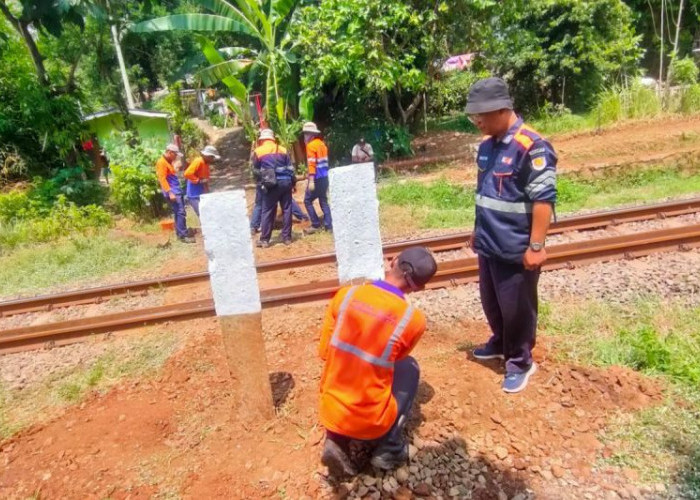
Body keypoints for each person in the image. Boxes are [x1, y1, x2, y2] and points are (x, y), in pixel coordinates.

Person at [465, 77, 557, 393]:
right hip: (489, 243)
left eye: (483, 114)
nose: (477, 120)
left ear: (503, 109)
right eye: (473, 115)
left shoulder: (532, 147)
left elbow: (544, 200)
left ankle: (520, 361)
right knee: (492, 303)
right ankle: (500, 341)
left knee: (517, 307)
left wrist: (536, 246)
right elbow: (486, 195)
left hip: (516, 247)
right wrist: (478, 232)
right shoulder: (487, 146)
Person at [318, 247, 438, 477]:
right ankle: (389, 448)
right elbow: (398, 360)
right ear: (419, 287)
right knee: (409, 368)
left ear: (392, 261)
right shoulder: (413, 320)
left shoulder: (346, 295)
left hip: (331, 411)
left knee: (344, 362)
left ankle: (336, 439)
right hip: (372, 423)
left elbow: (324, 352)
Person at [252, 128, 296, 247]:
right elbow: (291, 169)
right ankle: (287, 238)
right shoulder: (283, 149)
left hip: (271, 185)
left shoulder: (258, 151)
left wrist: (261, 179)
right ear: (272, 139)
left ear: (262, 140)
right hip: (286, 183)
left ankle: (265, 240)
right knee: (287, 209)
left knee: (267, 211)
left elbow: (254, 170)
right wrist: (293, 183)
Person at [156, 144, 194, 243]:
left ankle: (179, 234)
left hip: (176, 191)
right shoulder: (161, 162)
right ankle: (183, 235)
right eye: (175, 154)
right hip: (172, 192)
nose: (176, 157)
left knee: (178, 212)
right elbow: (162, 179)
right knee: (181, 212)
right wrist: (170, 193)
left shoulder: (168, 162)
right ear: (169, 152)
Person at [302, 122, 333, 234]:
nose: (304, 136)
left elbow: (311, 164)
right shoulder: (322, 144)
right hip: (325, 177)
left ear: (310, 134)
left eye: (305, 134)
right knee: (323, 200)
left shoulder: (310, 146)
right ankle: (329, 225)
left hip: (316, 178)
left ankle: (315, 224)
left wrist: (311, 180)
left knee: (307, 200)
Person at [184, 145, 220, 217]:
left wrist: (207, 193)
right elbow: (187, 173)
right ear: (207, 155)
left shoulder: (206, 164)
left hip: (202, 193)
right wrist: (198, 181)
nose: (213, 159)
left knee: (207, 214)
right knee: (202, 215)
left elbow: (205, 180)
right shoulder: (198, 161)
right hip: (194, 194)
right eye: (212, 157)